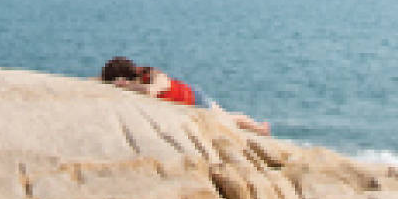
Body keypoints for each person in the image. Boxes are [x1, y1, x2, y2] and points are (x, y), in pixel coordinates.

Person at [100, 56, 271, 135]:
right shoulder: (139, 81)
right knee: (229, 118)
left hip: (196, 100)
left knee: (230, 118)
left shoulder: (155, 76)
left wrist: (128, 86)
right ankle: (258, 128)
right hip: (189, 100)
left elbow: (152, 92)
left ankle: (260, 129)